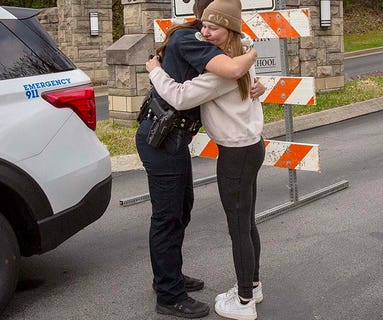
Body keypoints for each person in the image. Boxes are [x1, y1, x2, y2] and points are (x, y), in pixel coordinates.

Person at [135, 0, 264, 318]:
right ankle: (169, 293)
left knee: (186, 211)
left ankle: (176, 278)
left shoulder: (231, 52)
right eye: (203, 23)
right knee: (169, 216)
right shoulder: (193, 40)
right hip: (161, 138)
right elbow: (186, 92)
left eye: (212, 26)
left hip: (204, 143)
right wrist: (155, 71)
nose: (205, 31)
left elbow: (236, 72)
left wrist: (255, 74)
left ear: (229, 27)